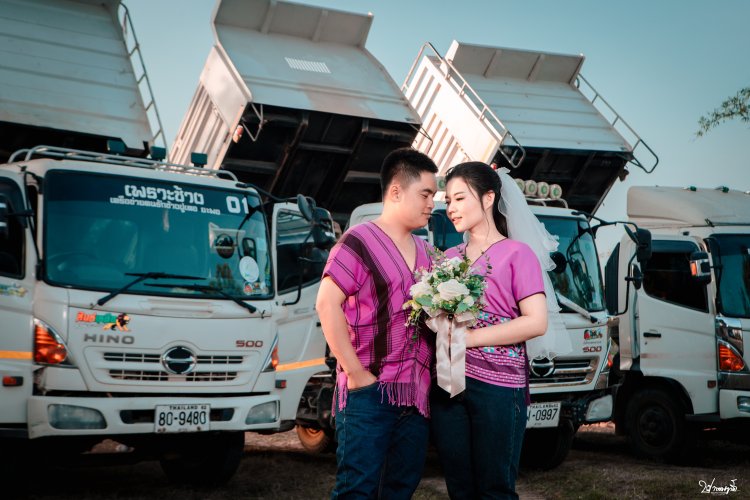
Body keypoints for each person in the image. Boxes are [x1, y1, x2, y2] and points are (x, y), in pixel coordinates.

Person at [316, 148, 438, 499]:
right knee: (357, 489)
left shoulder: (428, 253)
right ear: (397, 192)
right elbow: (327, 304)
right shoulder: (357, 241)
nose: (431, 203)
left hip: (415, 395)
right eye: (425, 194)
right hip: (368, 390)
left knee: (399, 489)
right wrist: (356, 375)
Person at [431, 161, 549, 499]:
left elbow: (535, 321)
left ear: (487, 198)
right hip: (448, 383)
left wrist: (469, 338)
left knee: (494, 489)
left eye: (459, 199)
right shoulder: (448, 258)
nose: (450, 209)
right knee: (459, 488)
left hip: (498, 387)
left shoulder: (517, 254)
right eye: (448, 201)